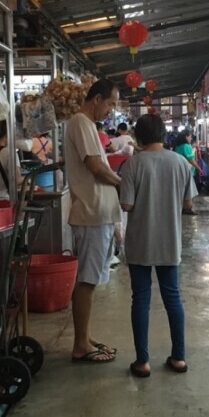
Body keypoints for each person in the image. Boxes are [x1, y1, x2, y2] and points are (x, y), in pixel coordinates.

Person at [120, 113, 195, 378]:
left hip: (140, 242)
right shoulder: (180, 163)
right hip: (169, 241)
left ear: (138, 137)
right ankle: (179, 358)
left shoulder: (132, 164)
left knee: (140, 299)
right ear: (163, 134)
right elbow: (188, 203)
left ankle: (142, 362)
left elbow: (126, 205)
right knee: (172, 297)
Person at [64, 79, 122, 363]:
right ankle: (80, 345)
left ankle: (86, 338)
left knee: (91, 280)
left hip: (99, 213)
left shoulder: (88, 125)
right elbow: (95, 166)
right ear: (97, 99)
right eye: (110, 103)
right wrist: (121, 182)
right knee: (87, 280)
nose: (111, 110)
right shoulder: (80, 122)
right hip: (91, 213)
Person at [173, 131, 201, 214]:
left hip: (178, 170)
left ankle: (182, 207)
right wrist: (199, 168)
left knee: (182, 189)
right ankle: (187, 208)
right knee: (189, 190)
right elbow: (190, 159)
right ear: (186, 136)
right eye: (190, 136)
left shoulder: (178, 146)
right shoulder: (186, 146)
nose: (191, 138)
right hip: (186, 170)